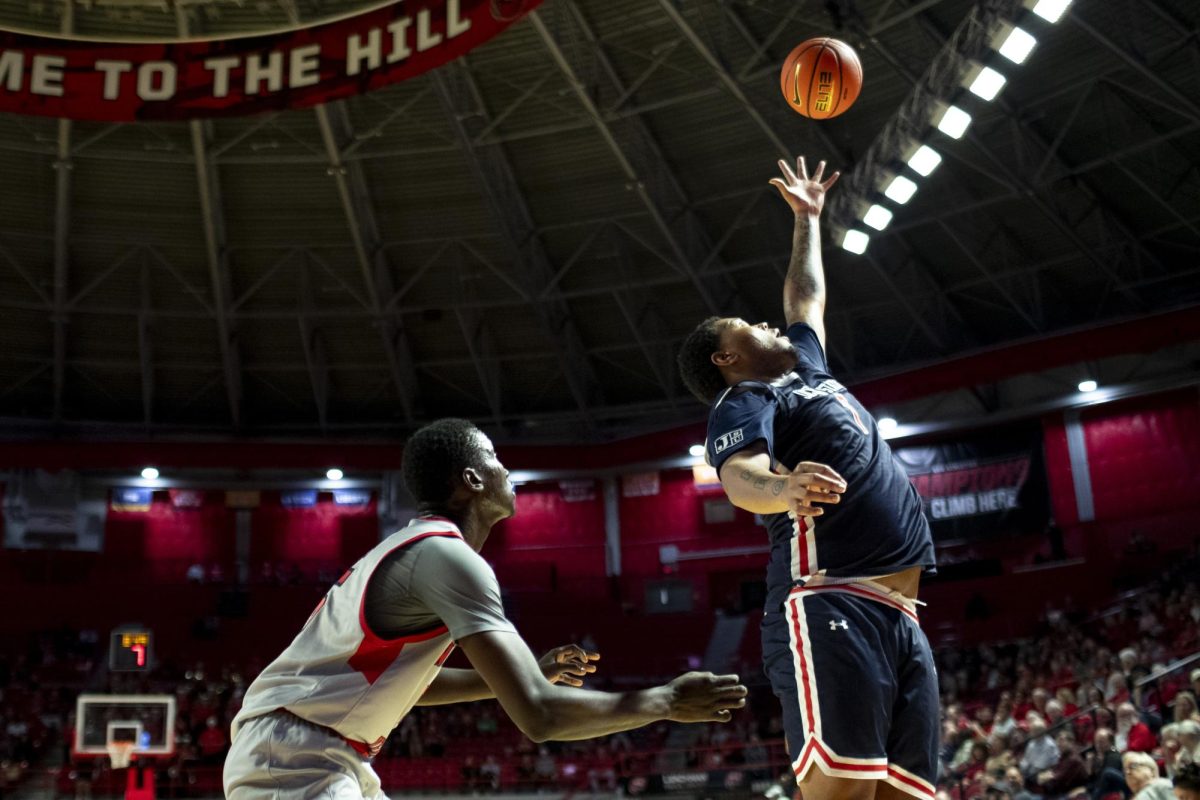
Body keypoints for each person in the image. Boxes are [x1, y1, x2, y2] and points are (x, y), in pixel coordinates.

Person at [223, 418, 747, 800]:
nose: (506, 469)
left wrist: (519, 674)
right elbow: (540, 716)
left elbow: (408, 680)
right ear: (472, 481)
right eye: (495, 458)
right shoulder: (447, 558)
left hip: (319, 748)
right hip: (294, 754)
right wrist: (664, 700)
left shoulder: (416, 550)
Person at [677, 156, 938, 800]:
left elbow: (806, 298)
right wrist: (783, 489)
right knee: (841, 793)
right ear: (727, 358)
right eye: (748, 326)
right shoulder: (744, 399)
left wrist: (806, 220)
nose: (767, 323)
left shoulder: (810, 372)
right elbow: (738, 476)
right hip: (829, 598)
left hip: (901, 614)